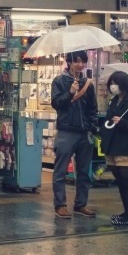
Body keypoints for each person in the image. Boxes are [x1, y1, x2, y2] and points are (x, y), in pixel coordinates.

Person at [50, 50, 100, 219]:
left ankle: (81, 204)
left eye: (83, 61)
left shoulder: (88, 84)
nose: (80, 64)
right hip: (66, 131)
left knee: (84, 171)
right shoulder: (59, 81)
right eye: (76, 61)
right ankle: (60, 205)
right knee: (60, 171)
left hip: (84, 133)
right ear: (69, 62)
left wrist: (92, 127)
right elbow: (57, 104)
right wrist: (70, 92)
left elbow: (93, 108)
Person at [100, 71, 128, 226]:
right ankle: (126, 213)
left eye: (116, 83)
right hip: (112, 146)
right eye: (111, 83)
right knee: (120, 180)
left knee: (127, 180)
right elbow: (108, 119)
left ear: (124, 84)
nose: (113, 86)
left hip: (126, 146)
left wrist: (123, 122)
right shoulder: (114, 101)